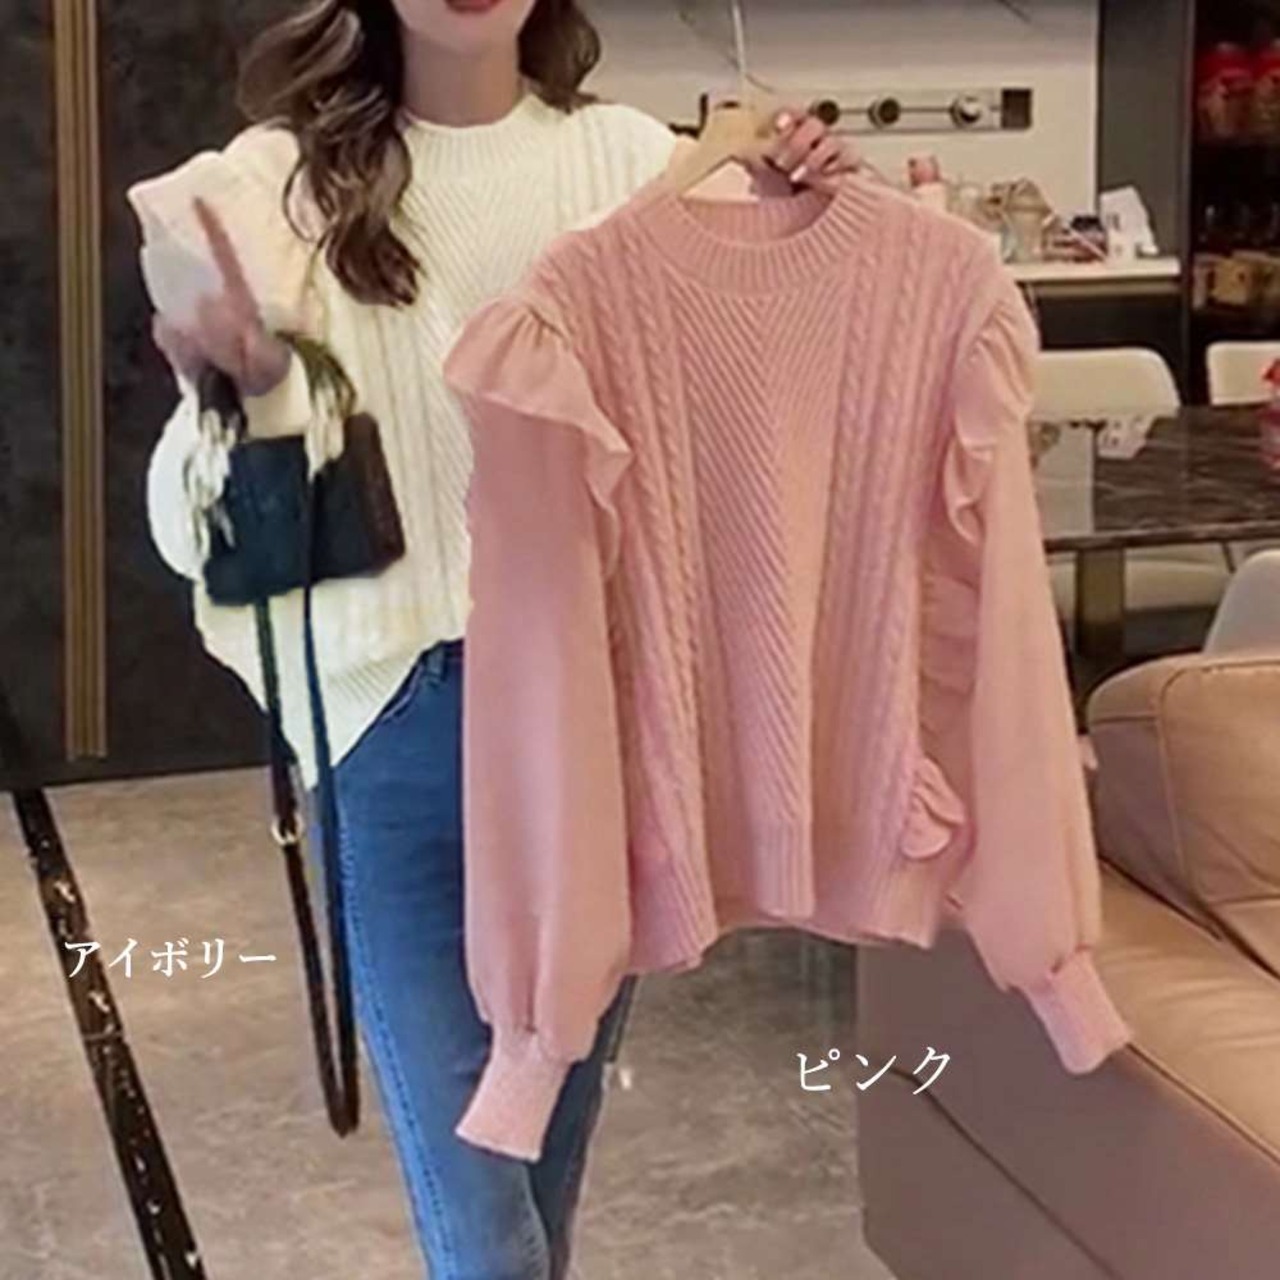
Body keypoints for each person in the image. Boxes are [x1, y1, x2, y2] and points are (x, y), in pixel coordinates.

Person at [134, 2, 857, 1277]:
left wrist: (804, 234)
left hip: (603, 723)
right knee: (485, 1226)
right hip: (396, 723)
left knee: (539, 1181)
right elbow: (191, 526)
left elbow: (772, 425)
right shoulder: (271, 186)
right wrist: (244, 393)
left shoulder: (636, 163)